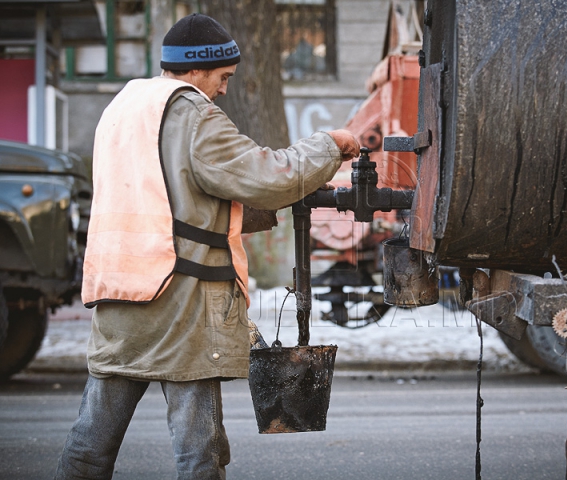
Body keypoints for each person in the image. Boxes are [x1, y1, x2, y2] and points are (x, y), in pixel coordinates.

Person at [55, 13, 359, 480]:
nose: (222, 90)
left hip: (120, 293)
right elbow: (268, 177)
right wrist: (329, 146)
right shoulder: (192, 113)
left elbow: (171, 195)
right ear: (198, 69)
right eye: (223, 78)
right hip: (180, 299)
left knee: (90, 444)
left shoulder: (125, 106)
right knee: (200, 452)